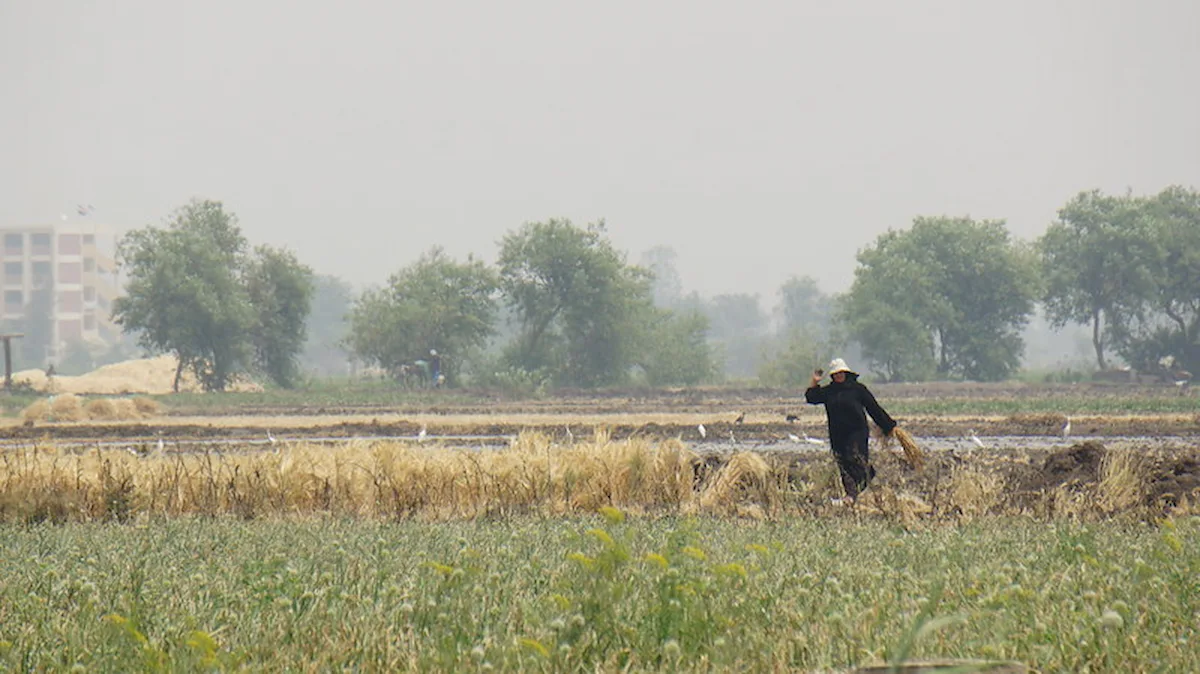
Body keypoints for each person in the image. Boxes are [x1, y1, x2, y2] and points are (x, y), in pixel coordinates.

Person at [805, 358, 896, 504]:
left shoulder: (858, 389)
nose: (839, 375)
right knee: (843, 463)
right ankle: (851, 495)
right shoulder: (829, 391)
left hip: (857, 431)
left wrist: (888, 425)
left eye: (841, 373)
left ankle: (866, 478)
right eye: (836, 373)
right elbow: (811, 397)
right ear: (833, 376)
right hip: (837, 434)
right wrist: (814, 381)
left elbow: (873, 408)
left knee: (855, 457)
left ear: (846, 373)